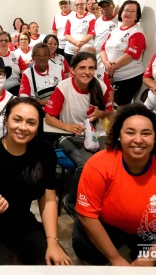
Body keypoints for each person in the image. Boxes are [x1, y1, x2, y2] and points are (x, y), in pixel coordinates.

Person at [0, 97, 72, 265]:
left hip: (23, 222)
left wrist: (52, 242)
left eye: (31, 122)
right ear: (6, 121)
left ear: (38, 127)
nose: (23, 127)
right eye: (17, 120)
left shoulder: (44, 152)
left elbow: (49, 198)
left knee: (56, 265)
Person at [73, 103, 156, 266]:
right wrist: (115, 259)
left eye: (146, 133)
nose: (138, 140)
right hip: (108, 225)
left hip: (148, 230)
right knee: (84, 247)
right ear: (119, 135)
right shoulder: (99, 165)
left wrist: (151, 255)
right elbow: (87, 216)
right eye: (130, 132)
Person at [44, 52, 113, 217]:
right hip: (69, 136)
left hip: (97, 135)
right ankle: (72, 199)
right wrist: (68, 126)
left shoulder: (101, 86)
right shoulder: (64, 87)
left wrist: (100, 113)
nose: (87, 72)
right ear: (72, 70)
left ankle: (101, 198)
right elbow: (49, 118)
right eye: (82, 67)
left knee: (111, 158)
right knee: (87, 163)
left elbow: (110, 113)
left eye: (91, 68)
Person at [101, 0, 146, 106]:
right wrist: (106, 63)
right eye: (126, 10)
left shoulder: (137, 32)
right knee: (109, 106)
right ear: (121, 13)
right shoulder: (115, 31)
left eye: (132, 11)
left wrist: (112, 67)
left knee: (121, 108)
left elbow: (131, 54)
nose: (128, 13)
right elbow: (103, 49)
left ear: (137, 15)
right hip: (110, 76)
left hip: (129, 78)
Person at [64, 0, 96, 65]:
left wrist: (79, 45)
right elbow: (66, 34)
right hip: (70, 50)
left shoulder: (91, 17)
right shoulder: (70, 17)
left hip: (85, 50)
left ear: (85, 5)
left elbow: (91, 34)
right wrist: (76, 43)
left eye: (81, 4)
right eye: (77, 4)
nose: (79, 6)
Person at [94, 0, 118, 68]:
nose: (104, 8)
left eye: (107, 5)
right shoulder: (98, 21)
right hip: (98, 56)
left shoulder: (119, 20)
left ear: (113, 6)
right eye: (102, 6)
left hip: (111, 55)